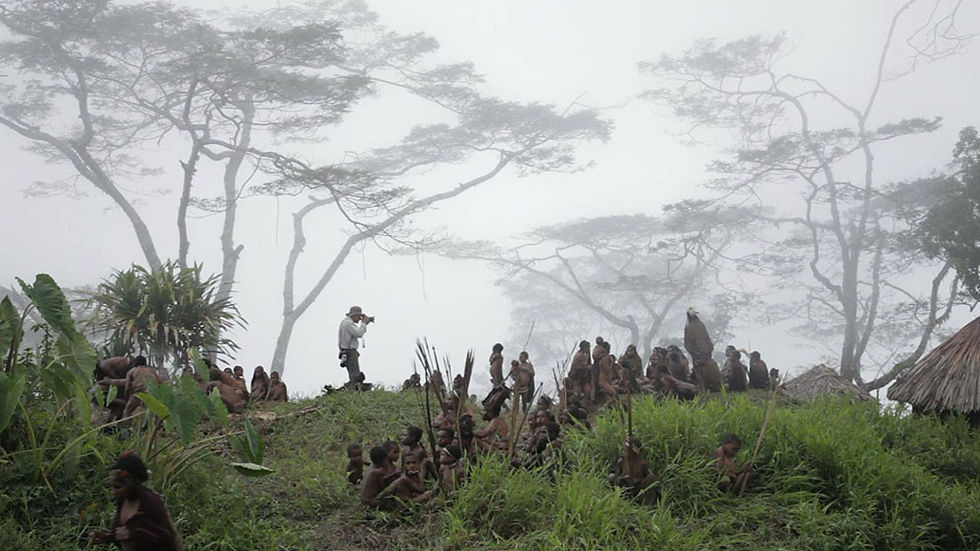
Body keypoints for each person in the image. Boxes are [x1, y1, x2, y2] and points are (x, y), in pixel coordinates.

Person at [90, 453, 181, 551]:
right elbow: (122, 534)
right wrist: (105, 538)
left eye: (118, 487)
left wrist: (133, 534)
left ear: (132, 483)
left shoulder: (151, 502)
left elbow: (166, 537)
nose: (113, 492)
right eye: (111, 487)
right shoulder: (122, 500)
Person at [338, 305, 375, 387]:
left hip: (346, 351)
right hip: (350, 352)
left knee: (354, 375)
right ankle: (353, 391)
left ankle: (352, 389)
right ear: (354, 315)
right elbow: (359, 333)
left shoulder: (345, 322)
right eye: (359, 316)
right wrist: (364, 324)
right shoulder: (348, 323)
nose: (360, 319)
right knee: (355, 376)